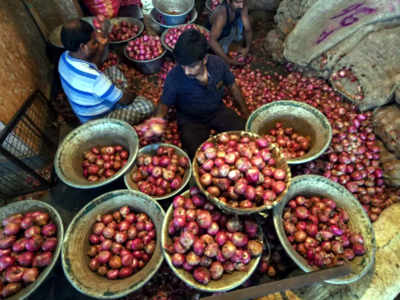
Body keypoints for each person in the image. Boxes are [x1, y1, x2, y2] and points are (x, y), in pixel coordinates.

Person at [154, 29, 250, 159]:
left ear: (204, 59)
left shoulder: (217, 64)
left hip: (217, 111)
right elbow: (164, 103)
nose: (187, 71)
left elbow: (232, 85)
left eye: (192, 66)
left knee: (245, 134)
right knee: (199, 155)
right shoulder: (174, 76)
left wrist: (245, 111)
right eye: (183, 66)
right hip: (191, 119)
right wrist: (157, 120)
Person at [58, 19, 154, 124]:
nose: (97, 44)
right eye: (94, 42)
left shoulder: (64, 58)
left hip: (84, 112)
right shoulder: (95, 78)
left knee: (112, 70)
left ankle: (115, 92)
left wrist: (101, 47)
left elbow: (95, 66)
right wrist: (132, 93)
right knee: (147, 106)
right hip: (98, 122)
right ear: (83, 47)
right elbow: (125, 100)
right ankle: (117, 94)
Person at [208, 0, 252, 66]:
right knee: (222, 54)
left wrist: (247, 48)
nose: (241, 5)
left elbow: (248, 28)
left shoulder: (242, 5)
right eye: (238, 2)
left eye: (243, 2)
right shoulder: (222, 15)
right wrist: (229, 61)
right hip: (215, 37)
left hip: (229, 28)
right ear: (228, 1)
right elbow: (212, 41)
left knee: (250, 20)